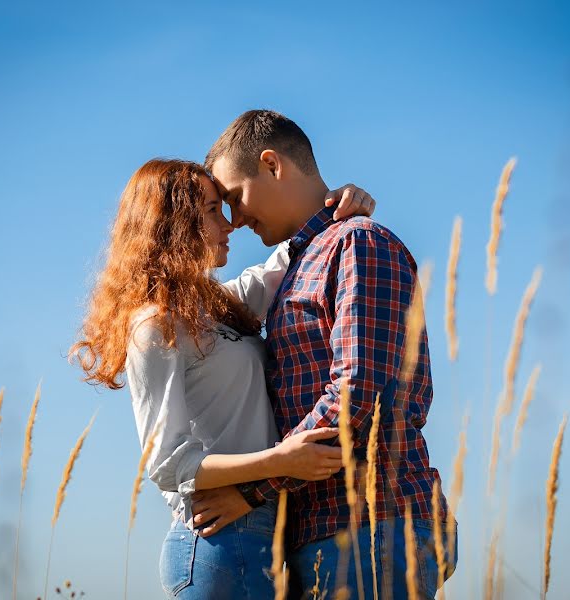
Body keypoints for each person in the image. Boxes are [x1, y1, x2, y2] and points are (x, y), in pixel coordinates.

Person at [70, 158, 377, 599]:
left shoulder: (218, 307)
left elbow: (283, 260)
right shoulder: (154, 325)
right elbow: (167, 464)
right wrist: (279, 462)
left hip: (267, 533)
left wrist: (342, 202)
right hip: (217, 539)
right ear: (173, 225)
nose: (230, 224)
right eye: (213, 210)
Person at [193, 110, 457, 599]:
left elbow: (358, 394)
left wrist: (254, 490)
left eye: (234, 198)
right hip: (325, 535)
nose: (236, 219)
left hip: (372, 525)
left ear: (272, 164)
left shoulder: (358, 243)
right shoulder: (299, 263)